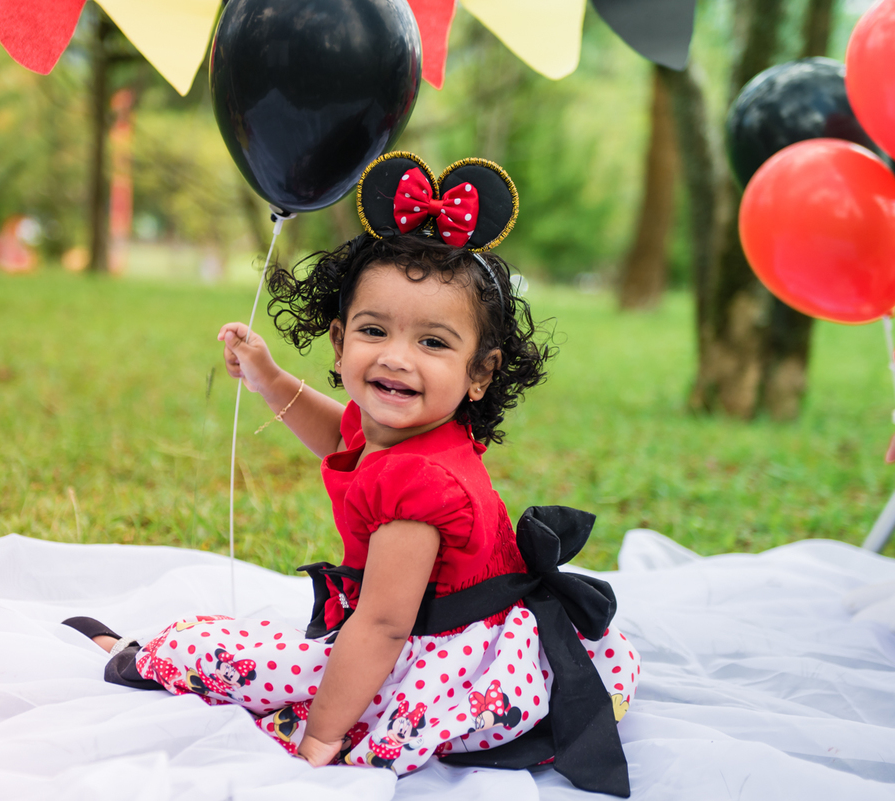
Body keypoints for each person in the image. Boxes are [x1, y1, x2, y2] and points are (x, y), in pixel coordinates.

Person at [64, 153, 639, 796]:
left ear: (480, 373)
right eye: (374, 330)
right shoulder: (409, 429)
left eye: (434, 342)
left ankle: (147, 658)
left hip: (442, 658)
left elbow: (382, 626)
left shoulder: (418, 489)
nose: (396, 358)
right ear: (340, 343)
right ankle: (165, 652)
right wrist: (270, 379)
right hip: (445, 627)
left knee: (246, 657)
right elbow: (341, 433)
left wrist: (320, 738)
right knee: (289, 648)